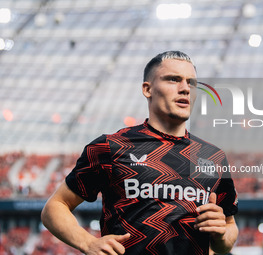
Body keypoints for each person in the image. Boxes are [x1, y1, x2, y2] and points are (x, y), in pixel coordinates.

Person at [41, 51, 239, 255]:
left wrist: (222, 234)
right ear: (147, 89)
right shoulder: (111, 147)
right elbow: (55, 207)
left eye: (192, 83)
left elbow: (229, 227)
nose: (185, 89)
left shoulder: (214, 157)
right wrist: (88, 242)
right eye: (173, 79)